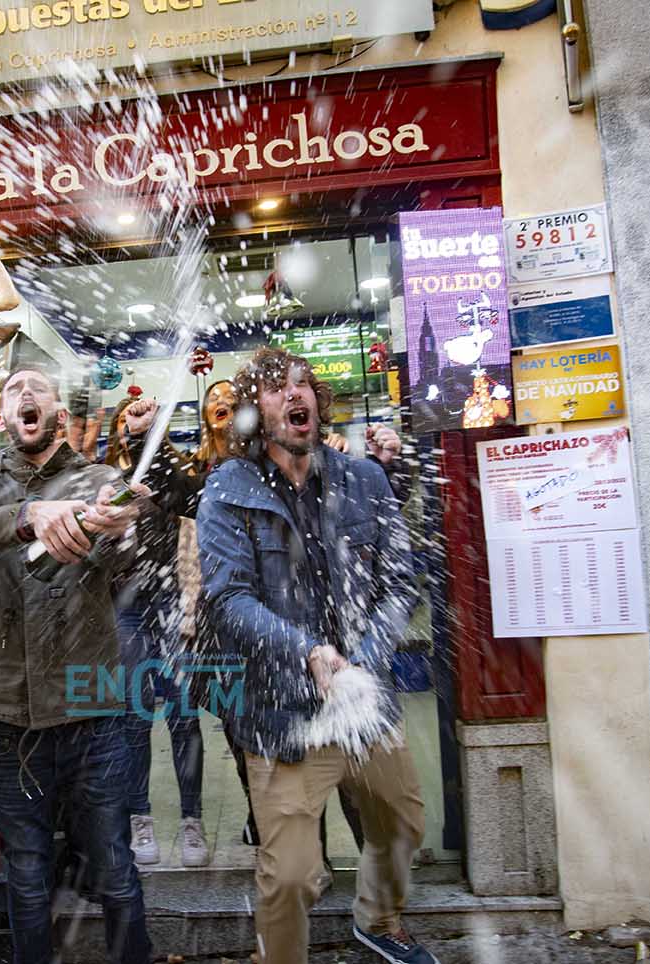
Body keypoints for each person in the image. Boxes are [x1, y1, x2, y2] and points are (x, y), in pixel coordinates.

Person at [195, 346, 431, 964]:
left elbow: (401, 580)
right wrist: (309, 652)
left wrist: (363, 657)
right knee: (294, 875)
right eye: (276, 389)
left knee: (404, 826)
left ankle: (379, 919)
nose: (294, 394)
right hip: (282, 714)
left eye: (303, 385)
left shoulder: (365, 479)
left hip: (362, 699)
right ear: (254, 411)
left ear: (318, 404)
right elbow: (227, 598)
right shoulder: (227, 490)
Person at [126, 383, 406, 869]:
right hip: (250, 648)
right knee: (267, 759)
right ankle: (295, 859)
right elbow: (169, 490)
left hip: (333, 652)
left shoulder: (311, 461)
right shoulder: (206, 474)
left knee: (355, 776)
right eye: (217, 401)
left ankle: (375, 893)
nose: (227, 409)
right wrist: (143, 438)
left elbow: (372, 530)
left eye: (234, 401)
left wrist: (388, 470)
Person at [0, 366, 152, 964]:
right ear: (4, 418)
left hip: (95, 707)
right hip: (9, 714)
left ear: (60, 412)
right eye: (13, 392)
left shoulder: (100, 480)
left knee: (114, 865)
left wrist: (120, 533)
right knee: (27, 872)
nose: (25, 395)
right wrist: (31, 514)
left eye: (38, 388)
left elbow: (126, 565)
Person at [101, 399, 207, 867]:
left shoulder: (167, 469)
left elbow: (184, 497)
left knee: (184, 713)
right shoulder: (102, 476)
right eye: (125, 421)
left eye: (139, 422)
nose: (131, 427)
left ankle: (192, 820)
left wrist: (150, 441)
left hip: (169, 598)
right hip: (125, 605)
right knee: (133, 716)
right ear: (114, 428)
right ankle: (139, 818)